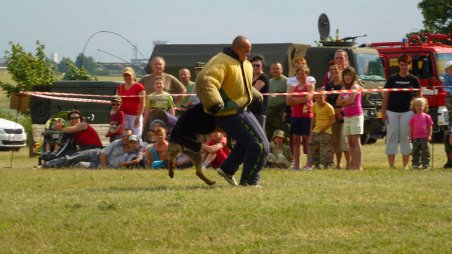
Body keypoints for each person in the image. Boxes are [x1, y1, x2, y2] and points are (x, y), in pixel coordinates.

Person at [196, 35, 269, 187]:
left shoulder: (246, 64)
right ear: (236, 48)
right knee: (259, 146)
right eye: (245, 50)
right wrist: (214, 101)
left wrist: (254, 94)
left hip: (243, 109)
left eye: (250, 51)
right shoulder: (220, 62)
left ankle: (227, 169)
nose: (248, 54)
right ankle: (249, 182)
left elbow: (242, 85)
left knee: (248, 143)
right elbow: (205, 80)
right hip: (229, 113)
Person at [381, 54, 422, 169]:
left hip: (408, 113)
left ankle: (405, 165)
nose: (404, 67)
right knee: (391, 136)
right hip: (392, 112)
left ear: (410, 65)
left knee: (406, 136)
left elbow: (419, 98)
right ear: (399, 65)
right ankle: (391, 165)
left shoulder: (414, 80)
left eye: (406, 65)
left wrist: (419, 113)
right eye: (402, 65)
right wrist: (383, 111)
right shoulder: (392, 79)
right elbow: (385, 96)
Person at [286, 65, 314, 170]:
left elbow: (308, 98)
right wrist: (298, 99)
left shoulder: (309, 86)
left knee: (307, 139)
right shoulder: (295, 87)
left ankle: (309, 163)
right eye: (298, 74)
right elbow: (288, 102)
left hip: (307, 116)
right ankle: (297, 164)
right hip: (295, 115)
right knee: (296, 140)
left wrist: (295, 99)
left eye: (303, 74)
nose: (300, 76)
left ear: (307, 75)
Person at [324, 61, 350, 169]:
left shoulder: (345, 85)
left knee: (344, 141)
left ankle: (349, 163)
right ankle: (339, 164)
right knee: (335, 141)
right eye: (331, 70)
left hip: (344, 116)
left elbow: (348, 100)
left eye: (336, 69)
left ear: (340, 70)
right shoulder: (328, 86)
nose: (334, 72)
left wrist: (341, 110)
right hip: (332, 117)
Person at [336, 67, 364, 170]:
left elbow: (351, 101)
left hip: (356, 115)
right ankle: (353, 165)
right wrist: (344, 102)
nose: (347, 77)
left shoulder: (355, 86)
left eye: (350, 75)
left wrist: (343, 101)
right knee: (350, 142)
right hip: (347, 116)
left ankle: (358, 165)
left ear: (353, 76)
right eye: (346, 75)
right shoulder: (343, 89)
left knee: (356, 141)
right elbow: (337, 102)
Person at [116, 67, 146, 139]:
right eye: (125, 75)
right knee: (124, 136)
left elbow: (143, 103)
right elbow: (117, 101)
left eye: (129, 75)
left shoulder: (139, 87)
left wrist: (138, 117)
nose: (127, 77)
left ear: (133, 75)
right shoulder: (120, 87)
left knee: (136, 136)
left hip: (135, 116)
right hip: (124, 116)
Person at [308, 92, 335, 169]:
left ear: (325, 97)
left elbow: (333, 120)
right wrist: (311, 129)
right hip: (316, 131)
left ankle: (327, 165)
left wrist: (323, 129)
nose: (319, 99)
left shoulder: (329, 107)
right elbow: (314, 117)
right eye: (317, 98)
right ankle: (316, 165)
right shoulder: (314, 105)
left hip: (326, 132)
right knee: (313, 149)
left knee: (325, 150)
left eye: (321, 97)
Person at [408, 97, 433, 169]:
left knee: (425, 152)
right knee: (415, 152)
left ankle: (425, 165)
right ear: (414, 107)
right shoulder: (413, 117)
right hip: (415, 138)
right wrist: (410, 137)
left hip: (425, 137)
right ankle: (415, 164)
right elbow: (410, 128)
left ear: (425, 106)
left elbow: (430, 127)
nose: (419, 107)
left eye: (420, 105)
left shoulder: (427, 117)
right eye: (416, 105)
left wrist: (429, 135)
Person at [266, 62, 289, 138]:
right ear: (271, 70)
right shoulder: (269, 81)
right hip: (269, 111)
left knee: (281, 133)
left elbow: (288, 97)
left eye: (277, 68)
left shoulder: (286, 81)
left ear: (282, 70)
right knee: (269, 132)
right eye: (273, 69)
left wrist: (286, 111)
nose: (275, 70)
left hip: (281, 110)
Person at [247, 55, 269, 129]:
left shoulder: (263, 77)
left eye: (258, 65)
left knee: (259, 137)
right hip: (250, 111)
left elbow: (253, 91)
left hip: (259, 112)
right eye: (253, 65)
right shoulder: (251, 77)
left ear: (262, 66)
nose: (255, 67)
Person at [444, 61, 452, 128]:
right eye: (451, 69)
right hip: (449, 94)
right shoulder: (447, 76)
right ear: (446, 70)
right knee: (450, 111)